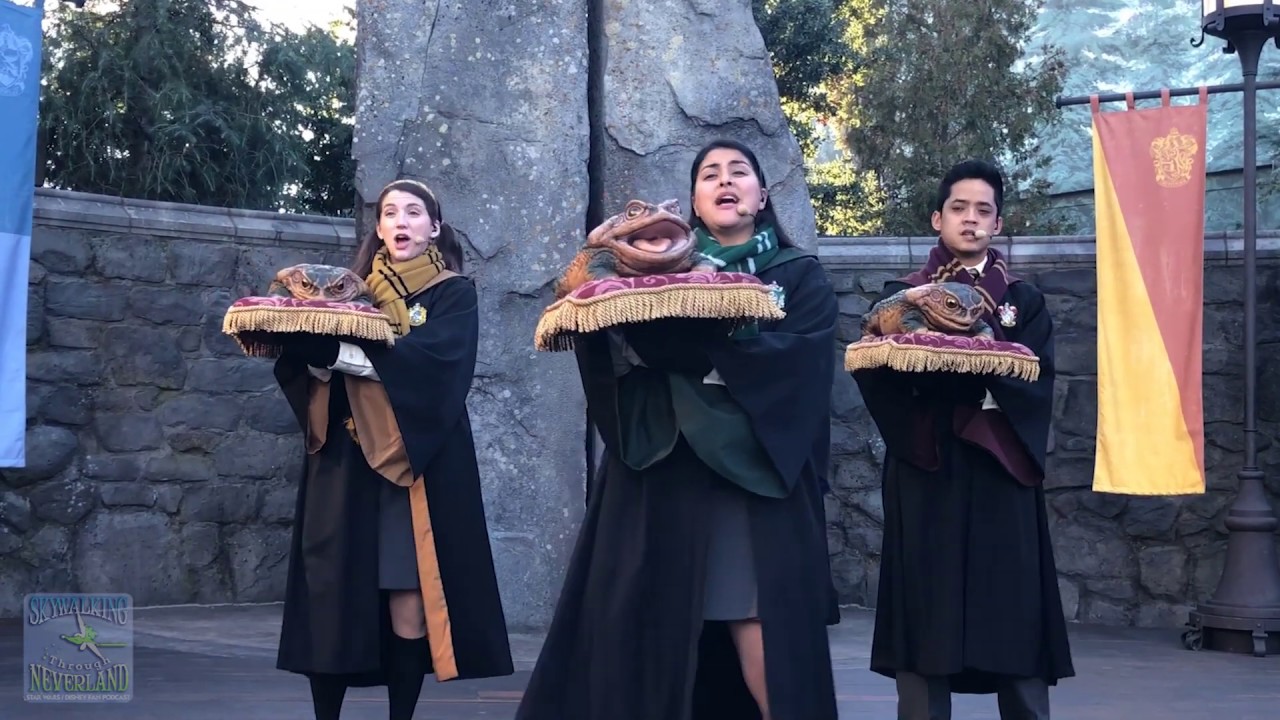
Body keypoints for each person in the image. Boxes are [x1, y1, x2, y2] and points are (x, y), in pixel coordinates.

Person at [515, 139, 840, 720]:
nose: (725, 180)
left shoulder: (799, 277)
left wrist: (696, 353)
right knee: (641, 619)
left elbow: (801, 371)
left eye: (739, 172)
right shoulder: (648, 275)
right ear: (692, 200)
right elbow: (613, 353)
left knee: (754, 614)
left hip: (750, 473)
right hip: (659, 464)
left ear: (761, 195)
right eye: (710, 174)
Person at [272, 178, 514, 720]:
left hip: (416, 467)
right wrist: (312, 353)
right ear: (378, 228)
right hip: (345, 463)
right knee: (333, 596)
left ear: (434, 227)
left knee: (408, 597)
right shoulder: (341, 293)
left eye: (413, 212)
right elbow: (313, 373)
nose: (401, 221)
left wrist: (343, 354)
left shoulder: (453, 293)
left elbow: (436, 370)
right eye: (389, 213)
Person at [851, 159, 1074, 719]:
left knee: (1014, 612)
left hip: (1002, 465)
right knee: (928, 614)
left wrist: (971, 360)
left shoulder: (1024, 302)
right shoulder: (899, 298)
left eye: (983, 211)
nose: (970, 220)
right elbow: (877, 373)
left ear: (997, 223)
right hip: (928, 463)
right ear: (936, 218)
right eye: (959, 208)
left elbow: (1037, 379)